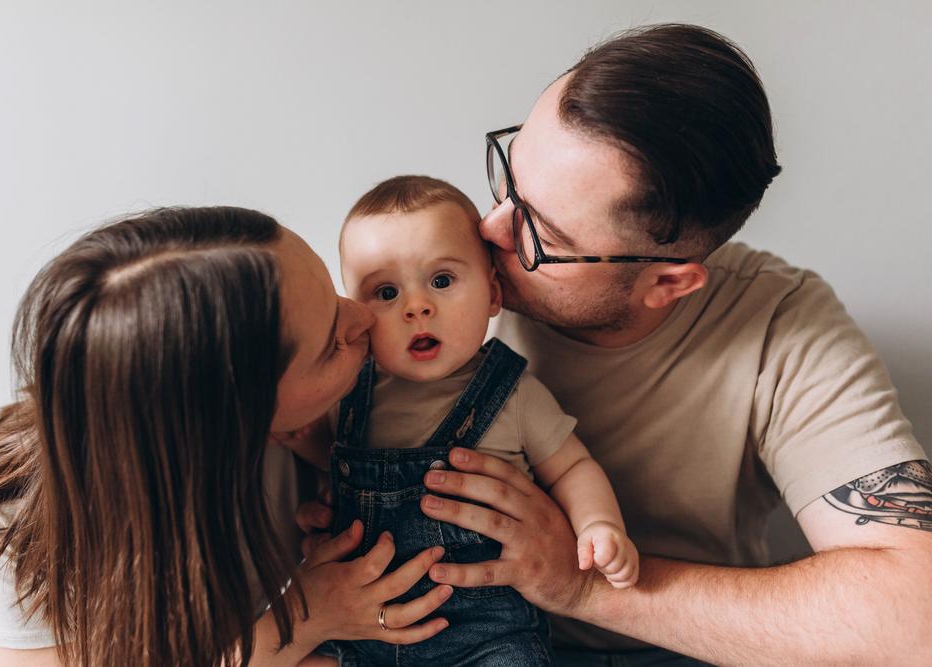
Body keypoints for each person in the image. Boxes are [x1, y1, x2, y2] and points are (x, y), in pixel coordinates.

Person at [297, 24, 932, 665]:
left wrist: (581, 587)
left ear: (666, 283)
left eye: (538, 232)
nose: (488, 228)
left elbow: (916, 618)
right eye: (508, 177)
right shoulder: (433, 285)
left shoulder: (779, 326)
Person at [0, 206, 457, 667]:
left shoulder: (333, 413)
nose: (364, 316)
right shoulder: (16, 539)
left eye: (333, 293)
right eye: (330, 346)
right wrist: (307, 616)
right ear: (237, 427)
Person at [278, 176, 638, 666]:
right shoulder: (349, 392)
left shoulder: (511, 394)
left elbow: (573, 468)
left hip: (485, 636)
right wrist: (311, 447)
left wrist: (599, 525)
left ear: (492, 295)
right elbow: (344, 462)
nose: (416, 307)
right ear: (357, 313)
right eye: (385, 292)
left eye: (442, 281)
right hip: (361, 631)